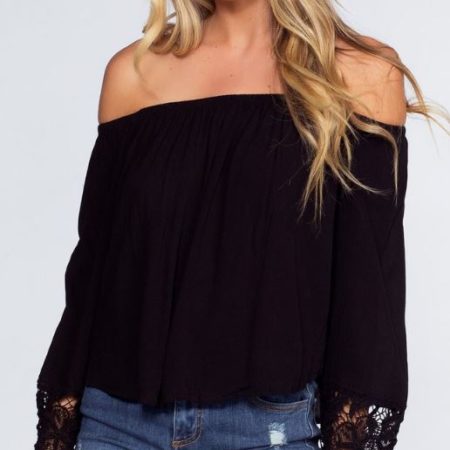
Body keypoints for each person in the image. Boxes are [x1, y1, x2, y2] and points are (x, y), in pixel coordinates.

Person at [34, 1, 448, 449]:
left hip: (267, 431)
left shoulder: (360, 74)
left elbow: (367, 297)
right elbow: (92, 282)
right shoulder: (133, 74)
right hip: (116, 425)